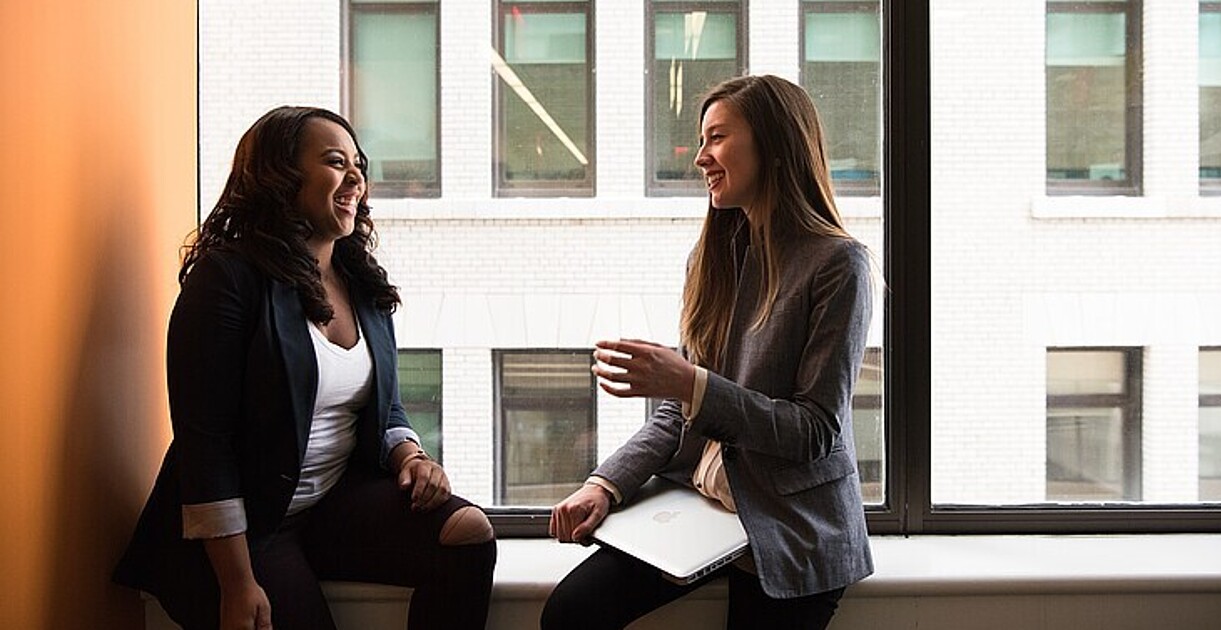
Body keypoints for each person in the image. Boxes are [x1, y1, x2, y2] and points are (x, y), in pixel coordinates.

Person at [113, 106, 496, 630]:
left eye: (359, 163)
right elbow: (206, 445)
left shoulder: (360, 281)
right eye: (336, 162)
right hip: (245, 532)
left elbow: (383, 404)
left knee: (467, 532)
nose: (357, 177)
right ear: (280, 176)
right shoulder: (226, 278)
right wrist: (236, 584)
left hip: (330, 505)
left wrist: (411, 453)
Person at [541, 75, 875, 630]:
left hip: (792, 525)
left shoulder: (839, 264)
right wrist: (605, 484)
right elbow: (679, 412)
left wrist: (691, 384)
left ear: (774, 143)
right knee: (569, 613)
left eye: (716, 138)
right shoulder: (712, 258)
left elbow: (815, 431)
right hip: (703, 512)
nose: (700, 158)